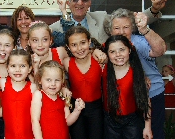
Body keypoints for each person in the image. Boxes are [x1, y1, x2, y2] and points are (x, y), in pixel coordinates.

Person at [103, 8, 166, 138]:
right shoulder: (108, 47)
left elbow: (160, 51)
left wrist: (145, 30)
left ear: (132, 28)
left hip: (151, 94)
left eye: (126, 27)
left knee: (153, 133)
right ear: (110, 31)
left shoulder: (139, 41)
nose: (121, 31)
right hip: (125, 103)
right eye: (117, 28)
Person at [50, 0, 167, 46]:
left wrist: (154, 10)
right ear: (68, 3)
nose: (80, 3)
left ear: (90, 3)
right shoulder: (55, 28)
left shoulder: (102, 18)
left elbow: (129, 21)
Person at [102, 35, 152, 139]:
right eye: (112, 52)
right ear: (107, 54)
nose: (118, 54)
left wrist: (147, 126)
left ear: (129, 50)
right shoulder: (103, 69)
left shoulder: (137, 73)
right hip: (110, 122)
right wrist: (95, 51)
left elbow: (145, 100)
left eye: (122, 50)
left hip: (133, 122)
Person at [63, 26, 104, 139]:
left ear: (89, 42)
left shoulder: (99, 59)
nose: (79, 48)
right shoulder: (67, 62)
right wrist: (63, 87)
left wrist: (95, 50)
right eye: (74, 45)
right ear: (68, 47)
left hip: (96, 109)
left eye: (83, 43)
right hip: (76, 108)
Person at [31, 60, 85, 139]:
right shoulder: (39, 95)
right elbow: (35, 120)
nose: (53, 84)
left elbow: (67, 122)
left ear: (62, 81)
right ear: (39, 80)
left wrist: (77, 110)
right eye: (48, 80)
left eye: (57, 80)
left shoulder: (63, 97)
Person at [0, 49, 37, 139]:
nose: (17, 70)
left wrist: (64, 89)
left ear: (30, 68)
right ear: (7, 68)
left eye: (22, 66)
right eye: (13, 66)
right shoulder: (3, 83)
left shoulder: (33, 88)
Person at [0, 29, 16, 139]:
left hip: (12, 119)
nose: (2, 49)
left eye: (7, 45)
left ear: (14, 48)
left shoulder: (19, 68)